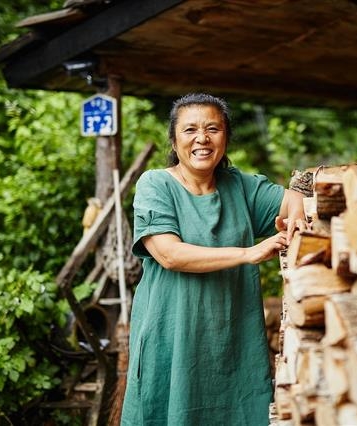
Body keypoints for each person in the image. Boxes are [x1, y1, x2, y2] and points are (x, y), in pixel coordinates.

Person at [120, 93, 305, 425]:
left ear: (225, 139)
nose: (201, 138)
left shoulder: (241, 187)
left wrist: (295, 217)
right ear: (174, 141)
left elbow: (294, 198)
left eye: (213, 129)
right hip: (173, 336)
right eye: (190, 130)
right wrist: (248, 254)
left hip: (232, 339)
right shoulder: (155, 184)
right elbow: (169, 254)